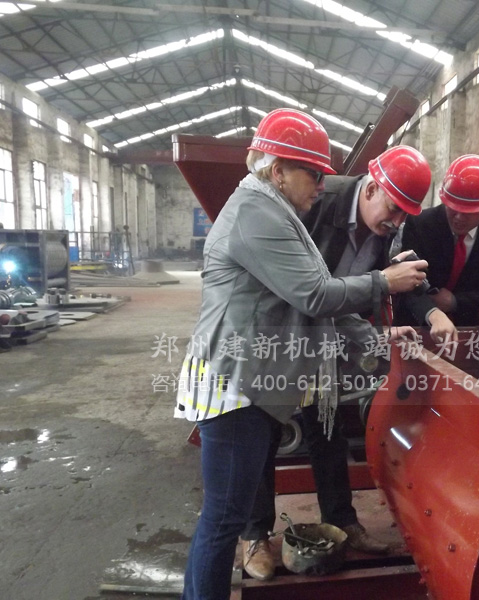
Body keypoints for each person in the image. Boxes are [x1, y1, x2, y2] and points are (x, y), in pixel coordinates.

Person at [174, 108, 428, 600]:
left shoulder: (278, 212)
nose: (322, 185)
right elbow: (315, 295)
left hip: (255, 377)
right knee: (224, 520)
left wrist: (379, 344)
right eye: (313, 173)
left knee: (225, 515)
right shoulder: (256, 214)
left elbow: (321, 296)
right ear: (278, 171)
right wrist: (382, 282)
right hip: (235, 384)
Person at [241, 145, 456, 580]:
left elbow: (403, 274)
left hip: (328, 331)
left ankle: (342, 520)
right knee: (265, 430)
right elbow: (301, 284)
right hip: (281, 331)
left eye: (405, 215)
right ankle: (255, 534)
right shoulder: (313, 199)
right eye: (394, 210)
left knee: (326, 427)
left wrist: (432, 311)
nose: (397, 222)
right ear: (372, 189)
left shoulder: (389, 225)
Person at [396, 154, 479, 329]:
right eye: (453, 208)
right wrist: (431, 312)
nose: (458, 217)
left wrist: (455, 301)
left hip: (467, 325)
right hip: (416, 324)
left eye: (467, 213)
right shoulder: (420, 224)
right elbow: (407, 281)